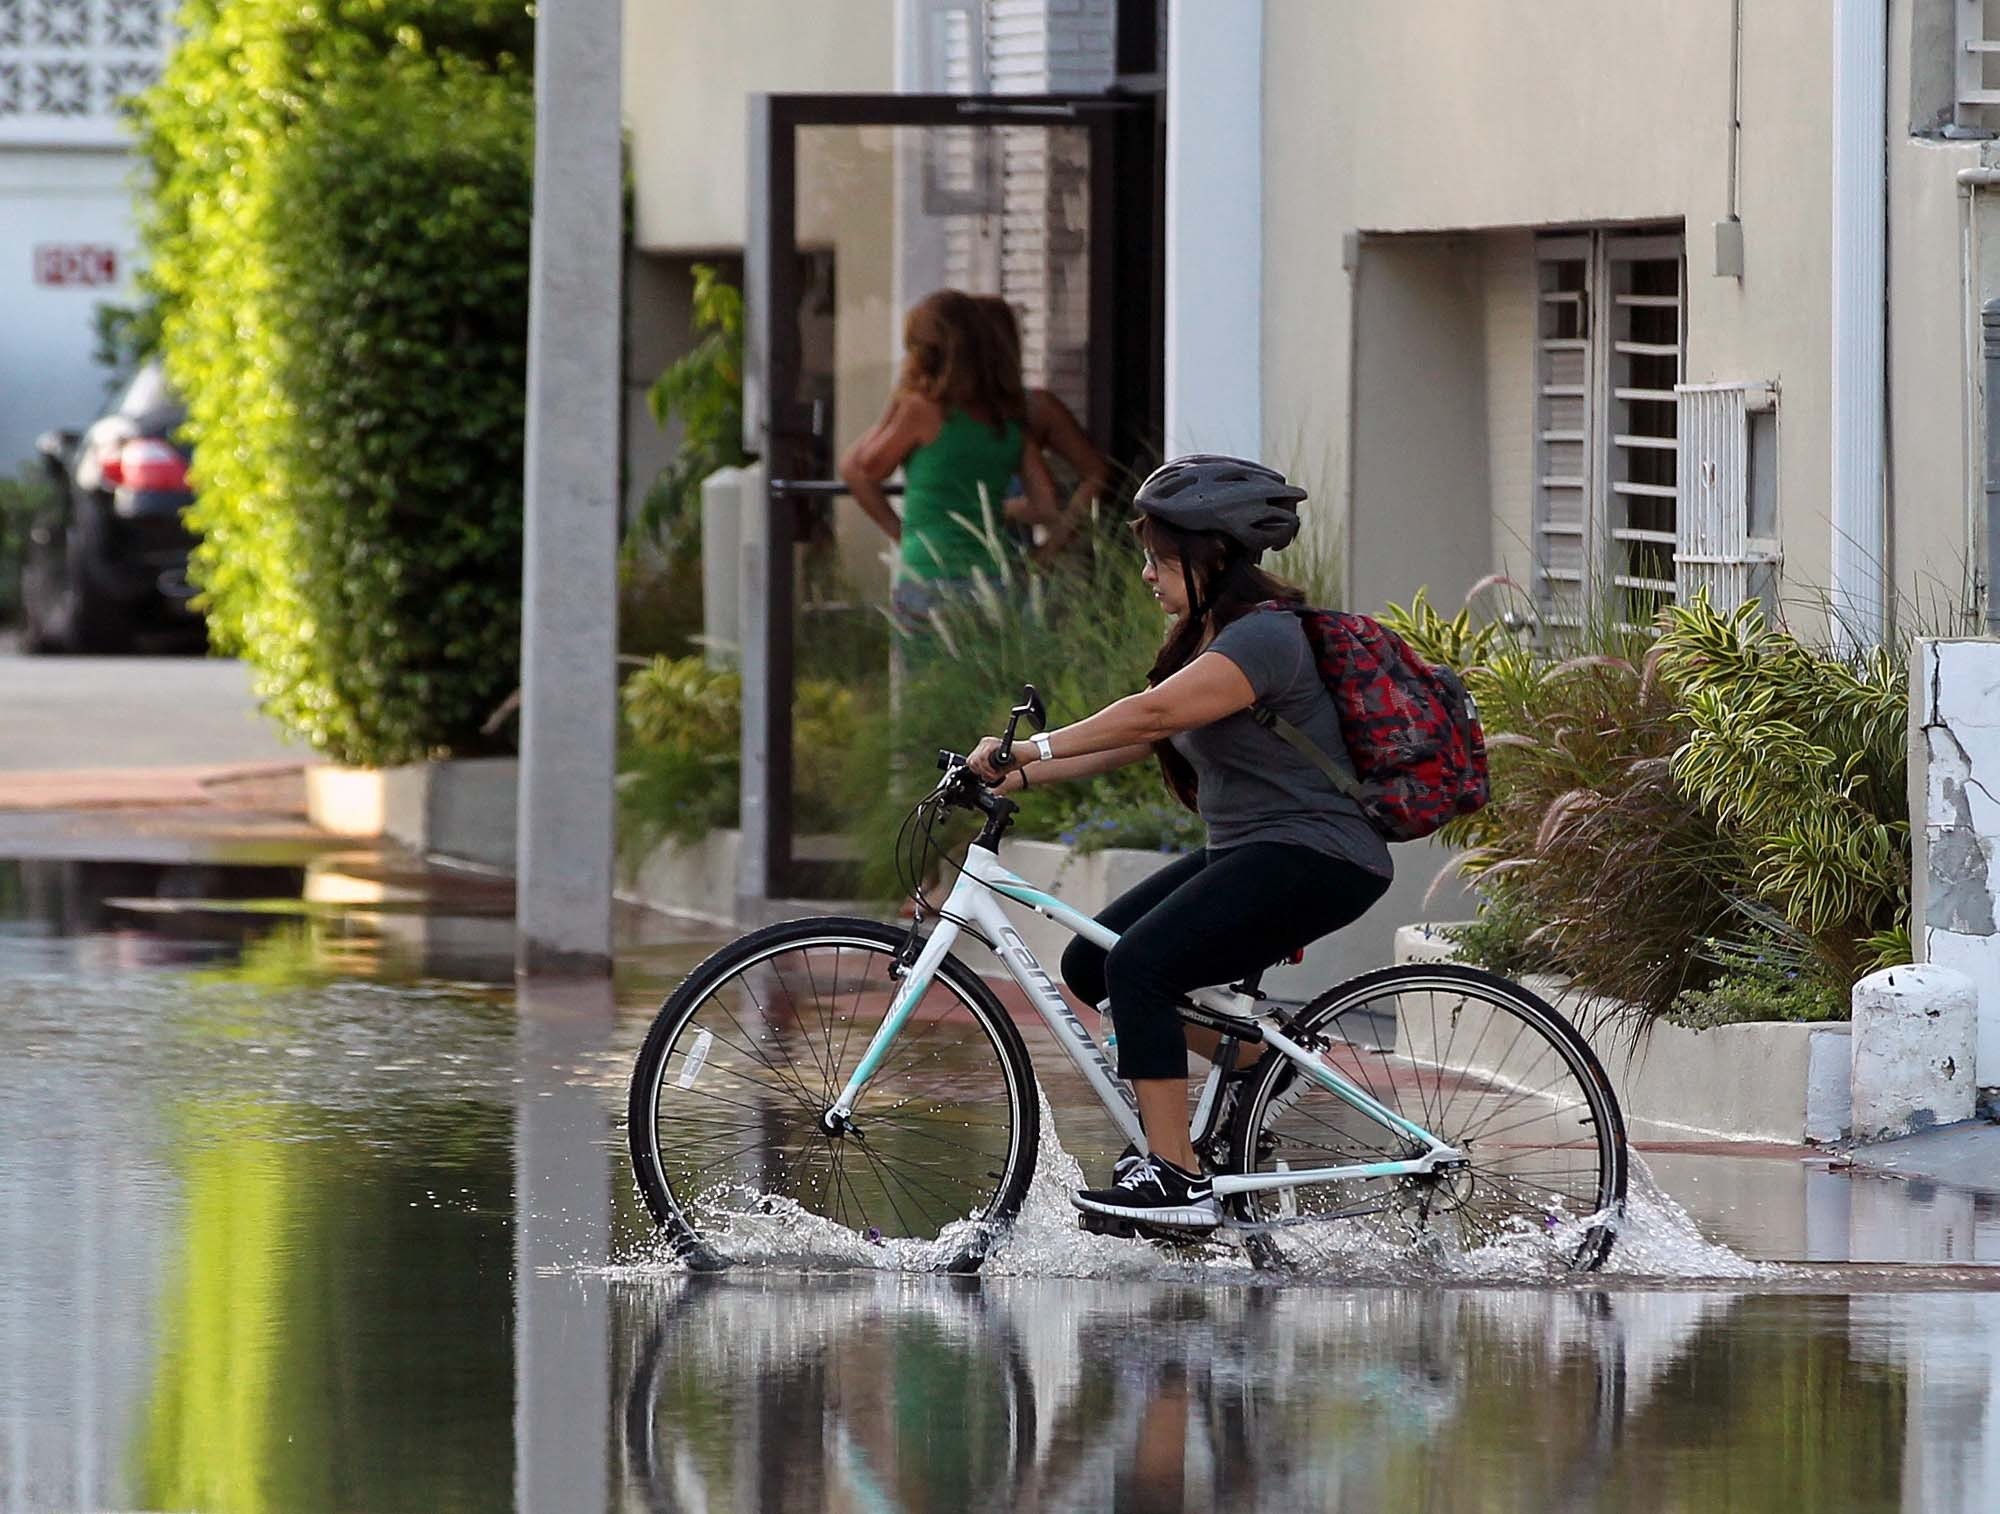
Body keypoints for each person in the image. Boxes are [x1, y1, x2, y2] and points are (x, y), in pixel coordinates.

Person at [967, 454, 1393, 1231]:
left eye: (1161, 559)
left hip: (1318, 857)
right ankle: (1254, 1064)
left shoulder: (1263, 640)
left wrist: (1031, 748)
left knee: (1142, 967)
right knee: (1092, 962)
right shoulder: (1213, 637)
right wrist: (1013, 779)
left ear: (1213, 559)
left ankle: (1176, 1179)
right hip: (1258, 851)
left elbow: (1149, 718)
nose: (1146, 575)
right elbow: (1137, 742)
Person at [838, 289, 1061, 633]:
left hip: (929, 574)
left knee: (930, 685)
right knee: (988, 684)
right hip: (994, 578)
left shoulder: (921, 410)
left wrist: (899, 533)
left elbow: (864, 468)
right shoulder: (1008, 419)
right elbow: (1046, 505)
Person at [972, 294, 1109, 561]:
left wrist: (1050, 548)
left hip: (1012, 568)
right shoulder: (940, 413)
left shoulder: (1033, 408)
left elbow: (1096, 474)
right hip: (947, 567)